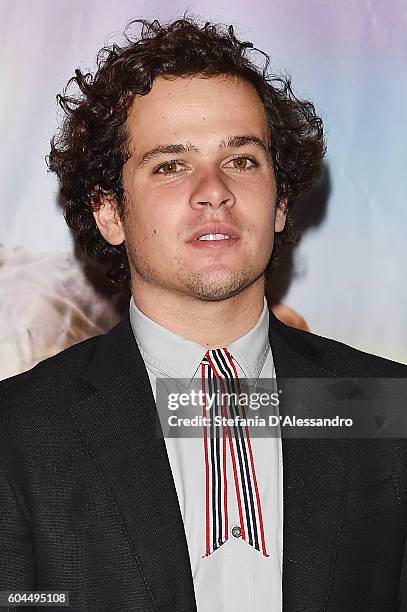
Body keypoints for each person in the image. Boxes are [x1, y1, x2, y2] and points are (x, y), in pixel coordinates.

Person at [1, 16, 406, 612]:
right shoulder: (18, 431)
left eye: (241, 160)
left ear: (280, 203)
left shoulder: (385, 407)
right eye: (170, 164)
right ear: (110, 212)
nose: (212, 189)